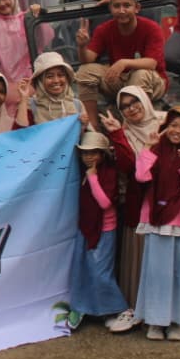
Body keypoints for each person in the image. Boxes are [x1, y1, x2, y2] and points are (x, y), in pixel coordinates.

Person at [98, 86, 163, 333]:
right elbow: (130, 168)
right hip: (137, 205)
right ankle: (137, 308)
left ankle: (161, 312)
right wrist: (117, 135)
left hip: (166, 205)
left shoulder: (164, 123)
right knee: (138, 258)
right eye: (124, 105)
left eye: (134, 102)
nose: (131, 108)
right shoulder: (124, 133)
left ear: (145, 100)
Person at [132, 106, 180, 341]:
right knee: (156, 273)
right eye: (173, 125)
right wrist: (149, 148)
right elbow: (141, 176)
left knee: (179, 273)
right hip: (156, 219)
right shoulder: (156, 150)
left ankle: (176, 322)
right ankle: (154, 321)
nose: (177, 131)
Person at [75, 0, 168, 130]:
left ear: (136, 8)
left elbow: (152, 63)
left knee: (140, 74)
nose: (121, 11)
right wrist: (82, 46)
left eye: (127, 6)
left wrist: (124, 63)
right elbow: (87, 60)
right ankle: (93, 127)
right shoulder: (104, 29)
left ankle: (135, 128)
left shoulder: (151, 28)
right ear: (111, 9)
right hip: (120, 80)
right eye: (116, 6)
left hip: (152, 81)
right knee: (85, 71)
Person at [66, 131, 128, 331]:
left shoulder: (107, 173)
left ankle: (116, 309)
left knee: (100, 272)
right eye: (85, 153)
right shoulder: (80, 172)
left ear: (102, 154)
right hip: (85, 227)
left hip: (104, 229)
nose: (89, 157)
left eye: (94, 152)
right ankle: (82, 308)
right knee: (81, 269)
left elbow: (105, 202)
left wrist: (92, 178)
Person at [28, 51, 83, 125]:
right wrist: (22, 101)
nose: (56, 81)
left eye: (60, 75)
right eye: (50, 76)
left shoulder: (77, 104)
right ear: (40, 81)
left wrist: (83, 125)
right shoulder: (31, 105)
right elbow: (20, 134)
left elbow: (84, 134)